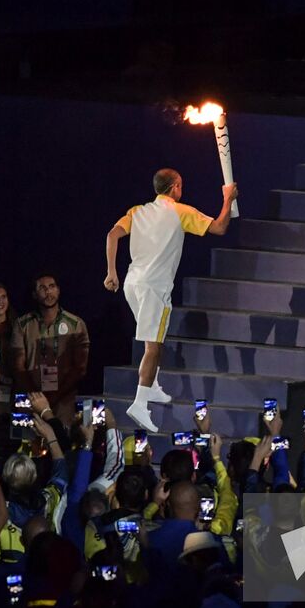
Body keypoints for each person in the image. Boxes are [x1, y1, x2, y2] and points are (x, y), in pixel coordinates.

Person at [104, 168, 237, 432]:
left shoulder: (136, 211)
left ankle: (151, 386)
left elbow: (112, 236)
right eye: (181, 185)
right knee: (152, 347)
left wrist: (111, 272)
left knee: (157, 338)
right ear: (175, 187)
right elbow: (220, 227)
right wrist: (228, 198)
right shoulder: (180, 212)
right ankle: (140, 404)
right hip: (155, 289)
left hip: (133, 284)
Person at [11, 274, 89, 426]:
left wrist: (55, 396)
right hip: (31, 398)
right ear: (34, 294)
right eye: (42, 288)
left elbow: (80, 368)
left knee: (61, 443)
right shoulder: (22, 324)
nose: (48, 292)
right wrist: (37, 397)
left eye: (52, 287)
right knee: (28, 443)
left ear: (58, 291)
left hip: (64, 400)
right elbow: (18, 366)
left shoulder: (76, 324)